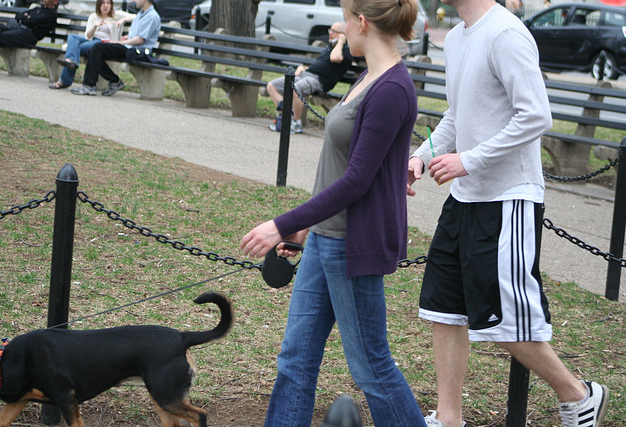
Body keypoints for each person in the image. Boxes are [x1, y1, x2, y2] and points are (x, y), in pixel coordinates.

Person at [406, 1, 610, 427]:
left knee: (505, 321)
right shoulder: (459, 37)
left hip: (507, 199)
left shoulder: (506, 32)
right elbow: (456, 117)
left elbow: (535, 115)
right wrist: (423, 157)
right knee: (445, 311)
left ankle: (578, 396)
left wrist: (469, 160)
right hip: (464, 199)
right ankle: (448, 419)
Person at [241, 0, 425, 425]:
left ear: (361, 22)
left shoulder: (393, 88)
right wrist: (308, 227)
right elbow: (358, 167)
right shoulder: (367, 77)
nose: (340, 27)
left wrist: (282, 223)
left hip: (351, 248)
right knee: (295, 359)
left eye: (345, 17)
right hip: (327, 238)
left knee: (371, 368)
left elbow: (357, 179)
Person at [266, 21, 353, 134]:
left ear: (343, 34)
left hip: (319, 81)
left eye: (334, 31)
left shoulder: (345, 51)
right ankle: (287, 114)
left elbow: (334, 58)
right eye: (330, 30)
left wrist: (341, 42)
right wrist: (304, 68)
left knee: (295, 89)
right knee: (271, 86)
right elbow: (321, 65)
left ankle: (296, 123)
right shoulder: (329, 48)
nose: (330, 33)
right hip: (306, 75)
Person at [70, 0, 160, 96]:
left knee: (97, 48)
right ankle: (113, 81)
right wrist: (126, 36)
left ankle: (90, 86)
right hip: (129, 47)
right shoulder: (142, 14)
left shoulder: (151, 16)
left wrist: (119, 42)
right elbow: (137, 34)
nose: (134, 1)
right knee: (94, 51)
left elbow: (140, 40)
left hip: (136, 51)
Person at [49, 0, 133, 89]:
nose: (105, 6)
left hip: (103, 44)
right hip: (92, 41)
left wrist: (123, 20)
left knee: (74, 49)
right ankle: (71, 61)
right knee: (72, 37)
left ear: (111, 5)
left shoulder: (116, 15)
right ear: (98, 5)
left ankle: (64, 80)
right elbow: (88, 36)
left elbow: (135, 17)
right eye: (103, 3)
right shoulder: (93, 16)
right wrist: (95, 26)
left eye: (108, 3)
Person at [0, 0, 59, 78]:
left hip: (28, 36)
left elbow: (32, 21)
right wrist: (26, 17)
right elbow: (18, 16)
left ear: (55, 1)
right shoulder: (37, 9)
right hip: (18, 28)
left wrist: (26, 18)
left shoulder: (51, 15)